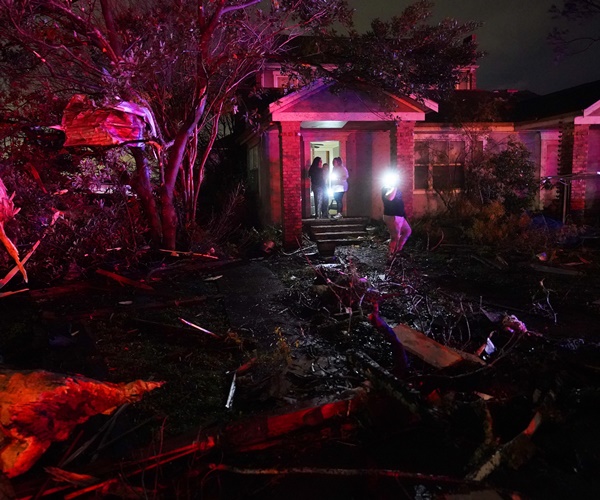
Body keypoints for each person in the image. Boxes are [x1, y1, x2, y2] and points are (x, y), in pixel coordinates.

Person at [382, 175, 411, 261]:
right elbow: (390, 198)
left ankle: (398, 250)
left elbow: (399, 202)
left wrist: (404, 215)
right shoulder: (386, 188)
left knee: (407, 231)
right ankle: (390, 255)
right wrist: (394, 186)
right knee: (395, 237)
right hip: (392, 215)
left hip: (400, 215)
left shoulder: (396, 189)